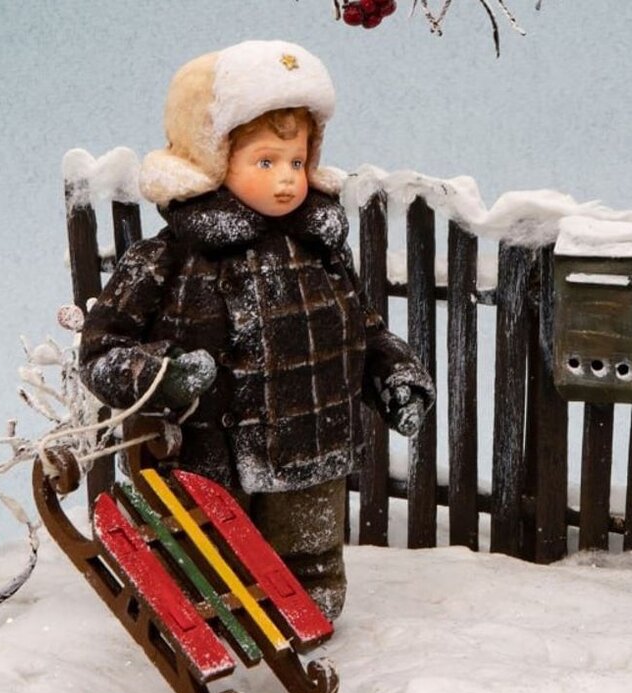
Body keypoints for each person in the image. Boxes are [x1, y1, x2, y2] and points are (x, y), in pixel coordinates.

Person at [80, 40, 434, 621]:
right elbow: (101, 350)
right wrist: (162, 376)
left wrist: (393, 373)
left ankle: (307, 619)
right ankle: (209, 621)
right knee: (208, 568)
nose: (287, 180)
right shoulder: (168, 258)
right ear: (212, 159)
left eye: (296, 162)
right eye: (266, 162)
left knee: (308, 571)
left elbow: (359, 328)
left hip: (311, 445)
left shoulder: (320, 250)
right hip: (211, 458)